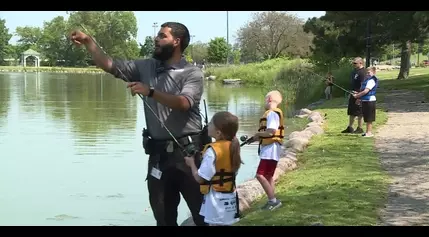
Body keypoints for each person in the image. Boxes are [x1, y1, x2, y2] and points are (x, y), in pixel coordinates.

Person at [70, 22, 208, 226]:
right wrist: (89, 42)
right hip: (159, 157)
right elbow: (110, 65)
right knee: (163, 219)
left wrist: (150, 91)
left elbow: (184, 103)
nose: (156, 39)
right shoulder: (146, 66)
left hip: (190, 156)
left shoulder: (192, 73)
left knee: (203, 216)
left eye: (162, 36)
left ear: (176, 41)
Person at [184, 111, 242, 226]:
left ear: (218, 132)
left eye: (210, 123)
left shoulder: (212, 151)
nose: (207, 125)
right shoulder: (233, 145)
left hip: (216, 200)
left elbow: (201, 178)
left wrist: (192, 164)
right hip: (230, 196)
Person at [253, 90, 284, 211]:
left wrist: (257, 134)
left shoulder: (272, 113)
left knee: (260, 175)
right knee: (268, 176)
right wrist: (257, 137)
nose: (264, 103)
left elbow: (271, 131)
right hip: (273, 148)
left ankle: (273, 201)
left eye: (265, 100)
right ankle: (272, 200)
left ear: (269, 99)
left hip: (270, 149)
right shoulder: (274, 113)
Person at [341, 57, 366, 134]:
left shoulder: (363, 72)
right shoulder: (355, 71)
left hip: (359, 94)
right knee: (351, 111)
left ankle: (360, 128)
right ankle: (350, 127)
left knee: (359, 112)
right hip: (353, 93)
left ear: (361, 63)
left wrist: (360, 96)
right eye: (353, 63)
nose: (353, 65)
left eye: (355, 63)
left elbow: (363, 85)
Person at [352, 67, 378, 137]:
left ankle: (369, 133)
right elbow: (363, 91)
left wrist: (357, 95)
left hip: (370, 100)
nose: (367, 74)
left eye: (369, 73)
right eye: (366, 73)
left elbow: (366, 91)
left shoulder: (371, 81)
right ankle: (367, 132)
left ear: (374, 72)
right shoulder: (367, 80)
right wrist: (359, 98)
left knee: (369, 117)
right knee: (366, 117)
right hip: (365, 100)